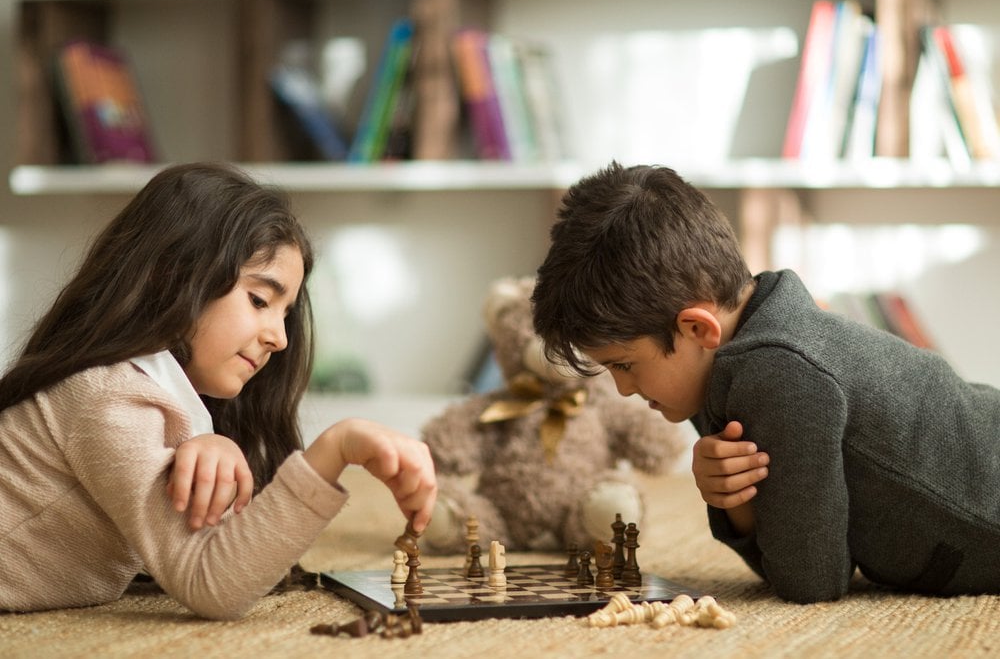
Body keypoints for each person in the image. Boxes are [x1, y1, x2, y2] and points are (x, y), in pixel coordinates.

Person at [530, 161, 1000, 604]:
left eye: (625, 365)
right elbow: (790, 556)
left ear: (697, 329)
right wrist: (736, 502)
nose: (624, 390)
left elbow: (810, 580)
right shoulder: (724, 358)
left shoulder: (778, 372)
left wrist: (734, 501)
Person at [0, 162, 437, 620]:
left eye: (285, 314)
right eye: (259, 300)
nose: (280, 338)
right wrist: (335, 448)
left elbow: (237, 551)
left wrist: (205, 443)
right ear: (170, 276)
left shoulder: (149, 400)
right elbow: (213, 581)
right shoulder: (108, 400)